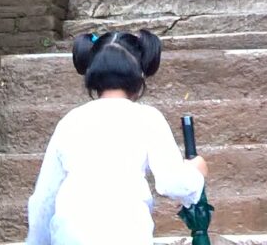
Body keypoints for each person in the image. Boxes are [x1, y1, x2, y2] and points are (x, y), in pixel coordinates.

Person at [25, 29, 209, 245]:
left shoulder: (71, 121)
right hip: (127, 234)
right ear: (140, 76)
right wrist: (196, 171)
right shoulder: (147, 118)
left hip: (70, 235)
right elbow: (173, 183)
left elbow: (44, 200)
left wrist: (36, 242)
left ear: (92, 73)